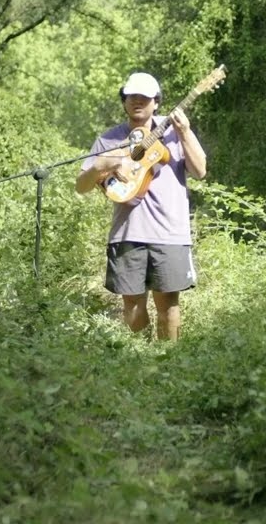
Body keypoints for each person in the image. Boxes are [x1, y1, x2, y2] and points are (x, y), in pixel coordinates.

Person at [75, 71, 207, 342]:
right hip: (127, 233)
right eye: (132, 96)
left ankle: (168, 361)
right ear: (124, 101)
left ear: (156, 102)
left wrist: (185, 131)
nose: (138, 102)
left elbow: (200, 170)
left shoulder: (175, 133)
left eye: (145, 98)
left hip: (170, 234)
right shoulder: (109, 139)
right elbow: (82, 186)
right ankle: (139, 361)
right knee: (132, 305)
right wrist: (103, 164)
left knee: (168, 305)